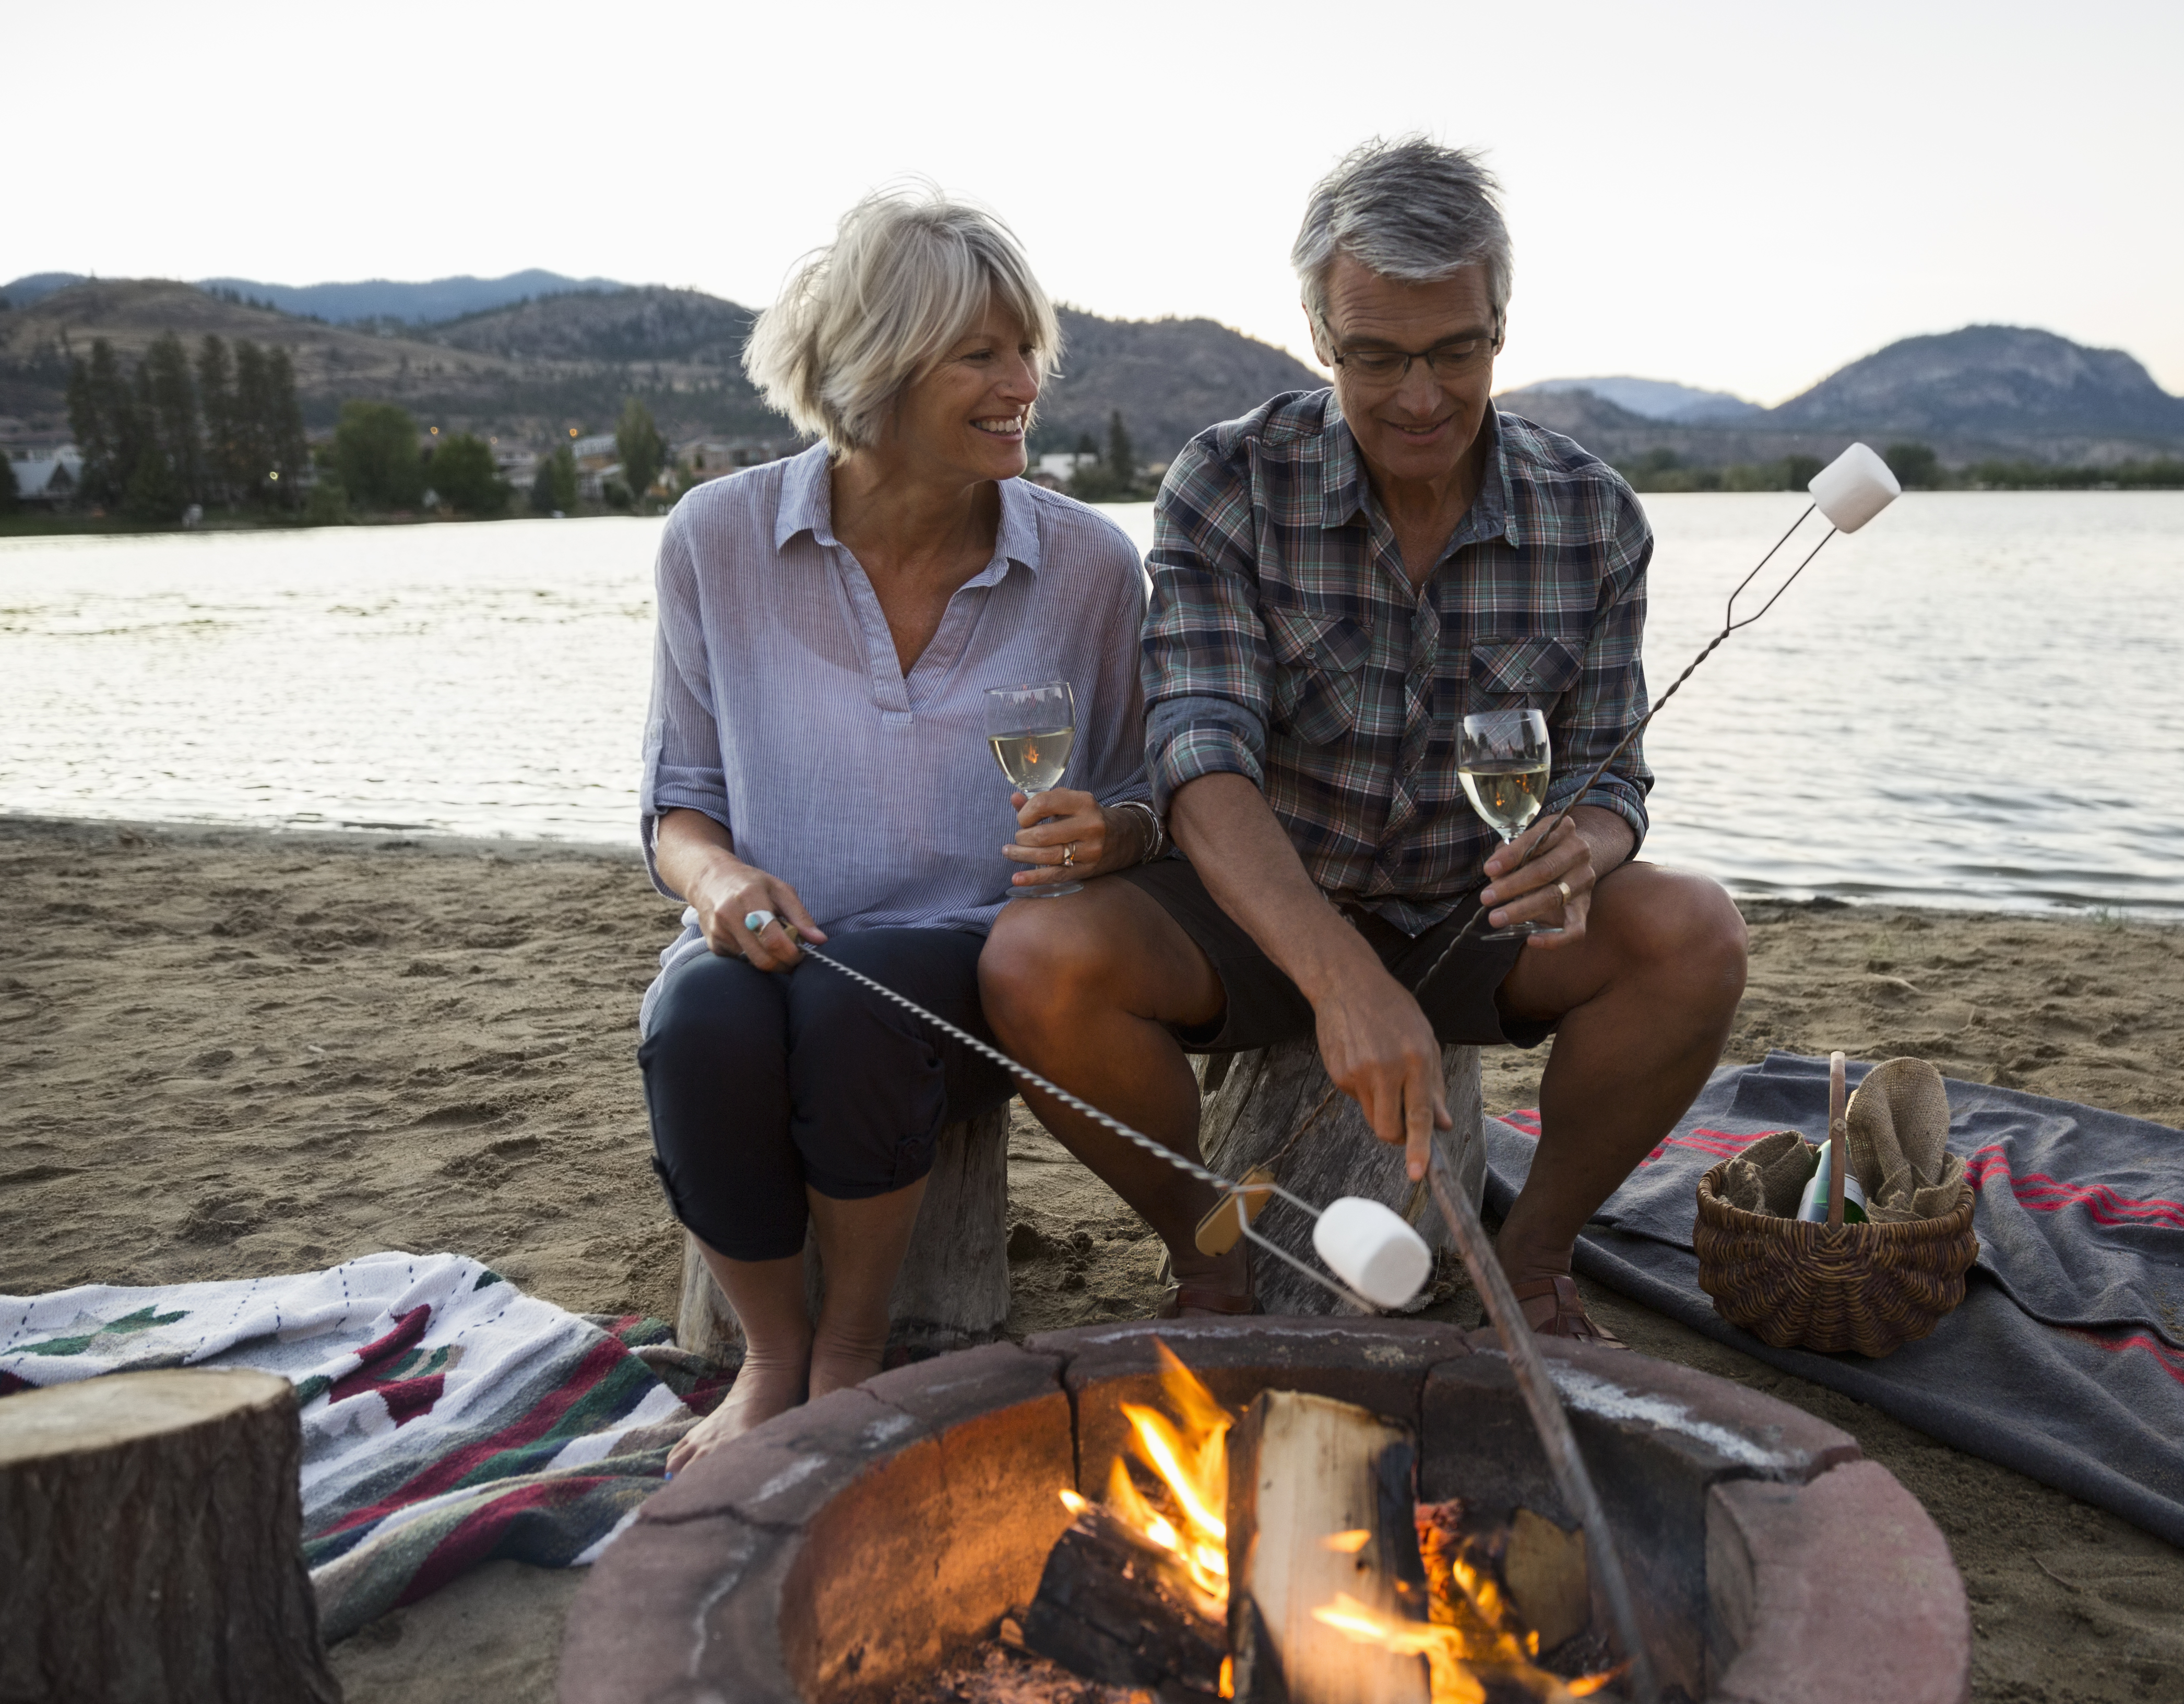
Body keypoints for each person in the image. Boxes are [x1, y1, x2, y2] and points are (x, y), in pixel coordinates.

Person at [981, 137, 1747, 1342]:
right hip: (1256, 918)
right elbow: (1200, 760)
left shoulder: (1594, 515)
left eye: (1457, 352)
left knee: (1696, 934)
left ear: (1502, 324)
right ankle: (1206, 1253)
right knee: (1031, 964)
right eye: (1376, 358)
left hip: (1475, 920)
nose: (1422, 397)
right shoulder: (1228, 482)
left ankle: (1536, 1260)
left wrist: (1588, 847)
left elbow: (1612, 772)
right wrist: (1342, 981)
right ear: (1318, 335)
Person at [637, 187, 1160, 1469]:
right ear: (877, 366)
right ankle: (771, 1356)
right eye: (981, 352)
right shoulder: (718, 539)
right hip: (774, 944)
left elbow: (1158, 796)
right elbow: (677, 805)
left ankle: (853, 1351)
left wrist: (1113, 836)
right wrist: (717, 888)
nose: (1021, 381)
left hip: (979, 972)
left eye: (1026, 348)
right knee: (694, 1020)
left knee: (857, 1005)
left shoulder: (1091, 566)